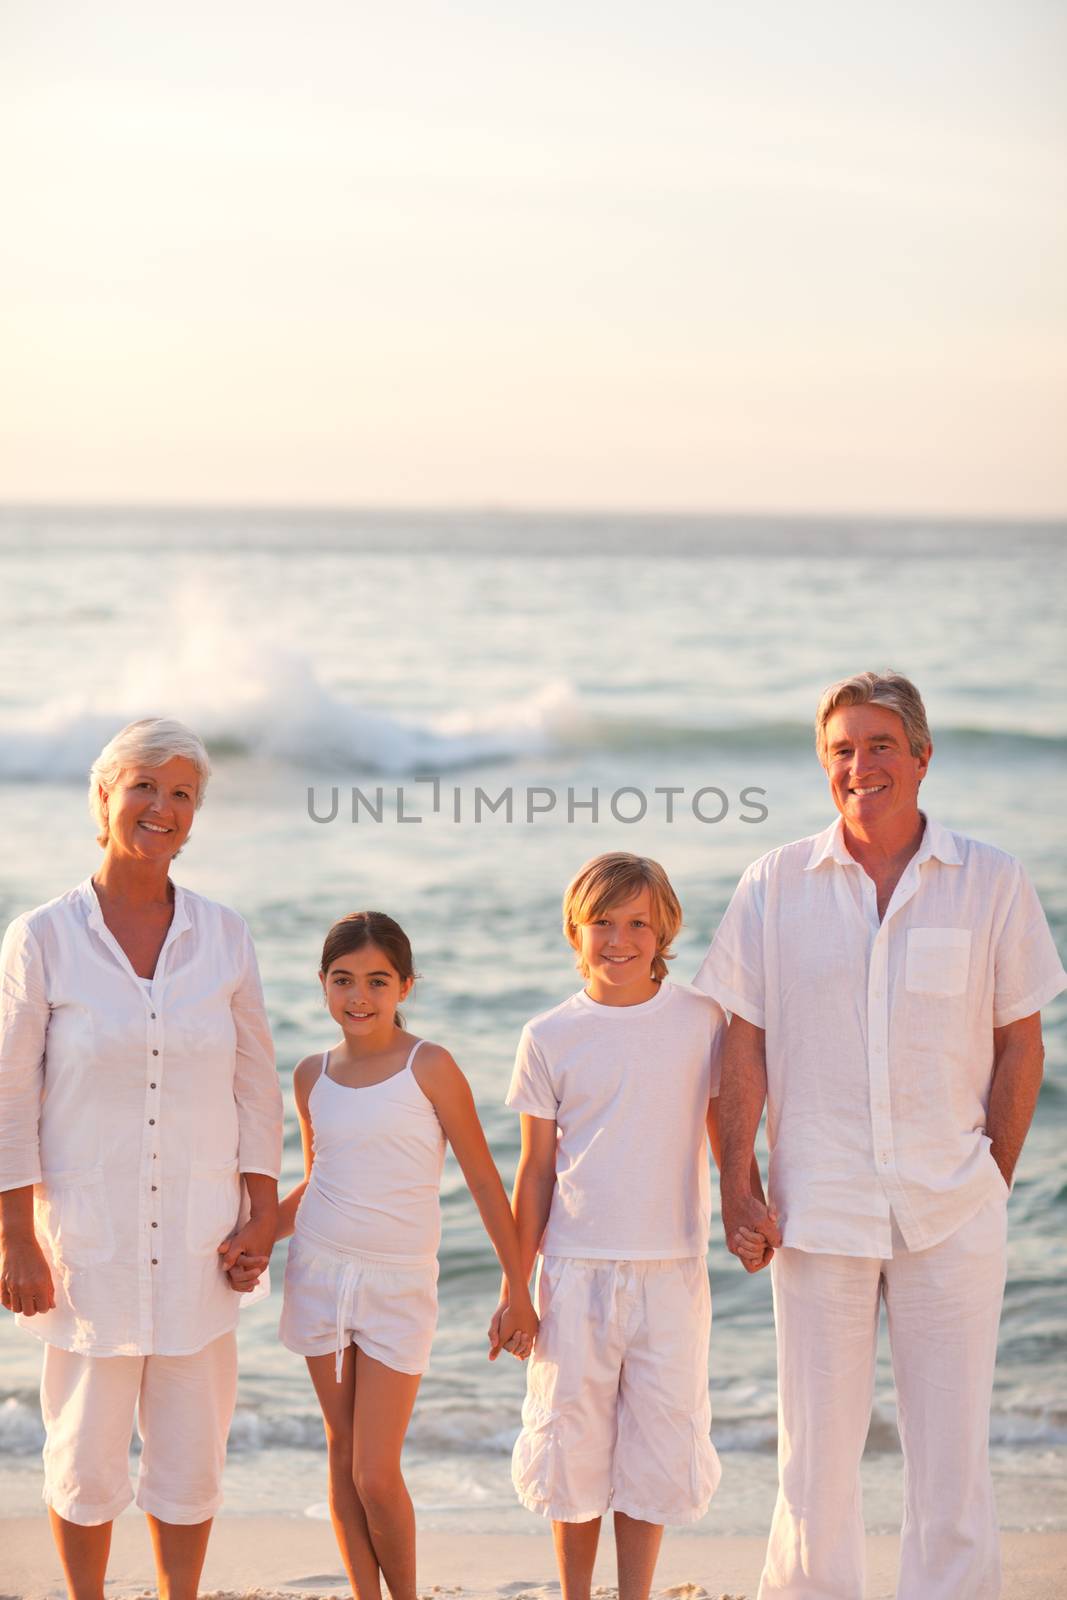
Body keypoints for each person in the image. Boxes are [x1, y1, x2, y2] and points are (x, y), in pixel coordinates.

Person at [695, 669, 1067, 1600]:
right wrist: (735, 1184)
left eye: (878, 746)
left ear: (921, 758)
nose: (859, 766)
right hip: (814, 1209)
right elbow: (741, 1045)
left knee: (951, 1456)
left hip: (953, 1206)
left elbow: (1020, 1042)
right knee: (814, 1455)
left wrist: (994, 1175)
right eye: (840, 751)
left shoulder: (991, 881)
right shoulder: (773, 884)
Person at [0, 717, 283, 1600]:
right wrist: (16, 1237)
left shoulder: (224, 936)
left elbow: (256, 1085)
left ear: (194, 818)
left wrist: (262, 1214)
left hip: (204, 1236)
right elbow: (8, 1094)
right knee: (83, 1456)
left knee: (190, 1454)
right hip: (88, 1239)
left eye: (182, 794)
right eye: (144, 788)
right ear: (104, 797)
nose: (161, 807)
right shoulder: (42, 938)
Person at [258, 910, 538, 1600]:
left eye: (377, 981)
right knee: (343, 1455)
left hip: (397, 1286)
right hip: (319, 1271)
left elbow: (480, 1176)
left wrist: (517, 1286)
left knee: (375, 1471)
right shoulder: (309, 1075)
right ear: (322, 985)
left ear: (405, 986)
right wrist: (256, 1236)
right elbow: (322, 1180)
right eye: (344, 980)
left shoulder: (430, 1066)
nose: (359, 996)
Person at [492, 851, 739, 1600]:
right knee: (571, 1448)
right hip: (572, 1272)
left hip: (672, 1270)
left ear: (664, 930)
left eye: (638, 923)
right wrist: (516, 1286)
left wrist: (749, 1210)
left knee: (657, 1448)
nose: (620, 939)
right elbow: (534, 1171)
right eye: (602, 922)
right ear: (575, 928)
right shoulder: (548, 1035)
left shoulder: (703, 1022)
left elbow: (725, 1139)